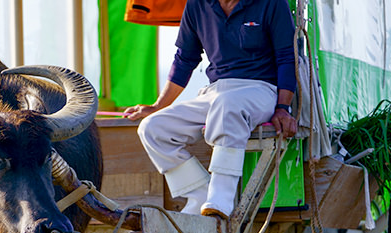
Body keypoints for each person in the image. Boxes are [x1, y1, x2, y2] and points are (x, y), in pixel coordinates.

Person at [123, 0, 298, 218]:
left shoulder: (272, 3)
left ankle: (221, 197)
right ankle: (199, 194)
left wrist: (283, 107)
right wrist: (159, 106)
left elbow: (287, 58)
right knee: (152, 128)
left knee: (227, 104)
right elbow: (185, 59)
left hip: (261, 89)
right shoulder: (196, 5)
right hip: (216, 91)